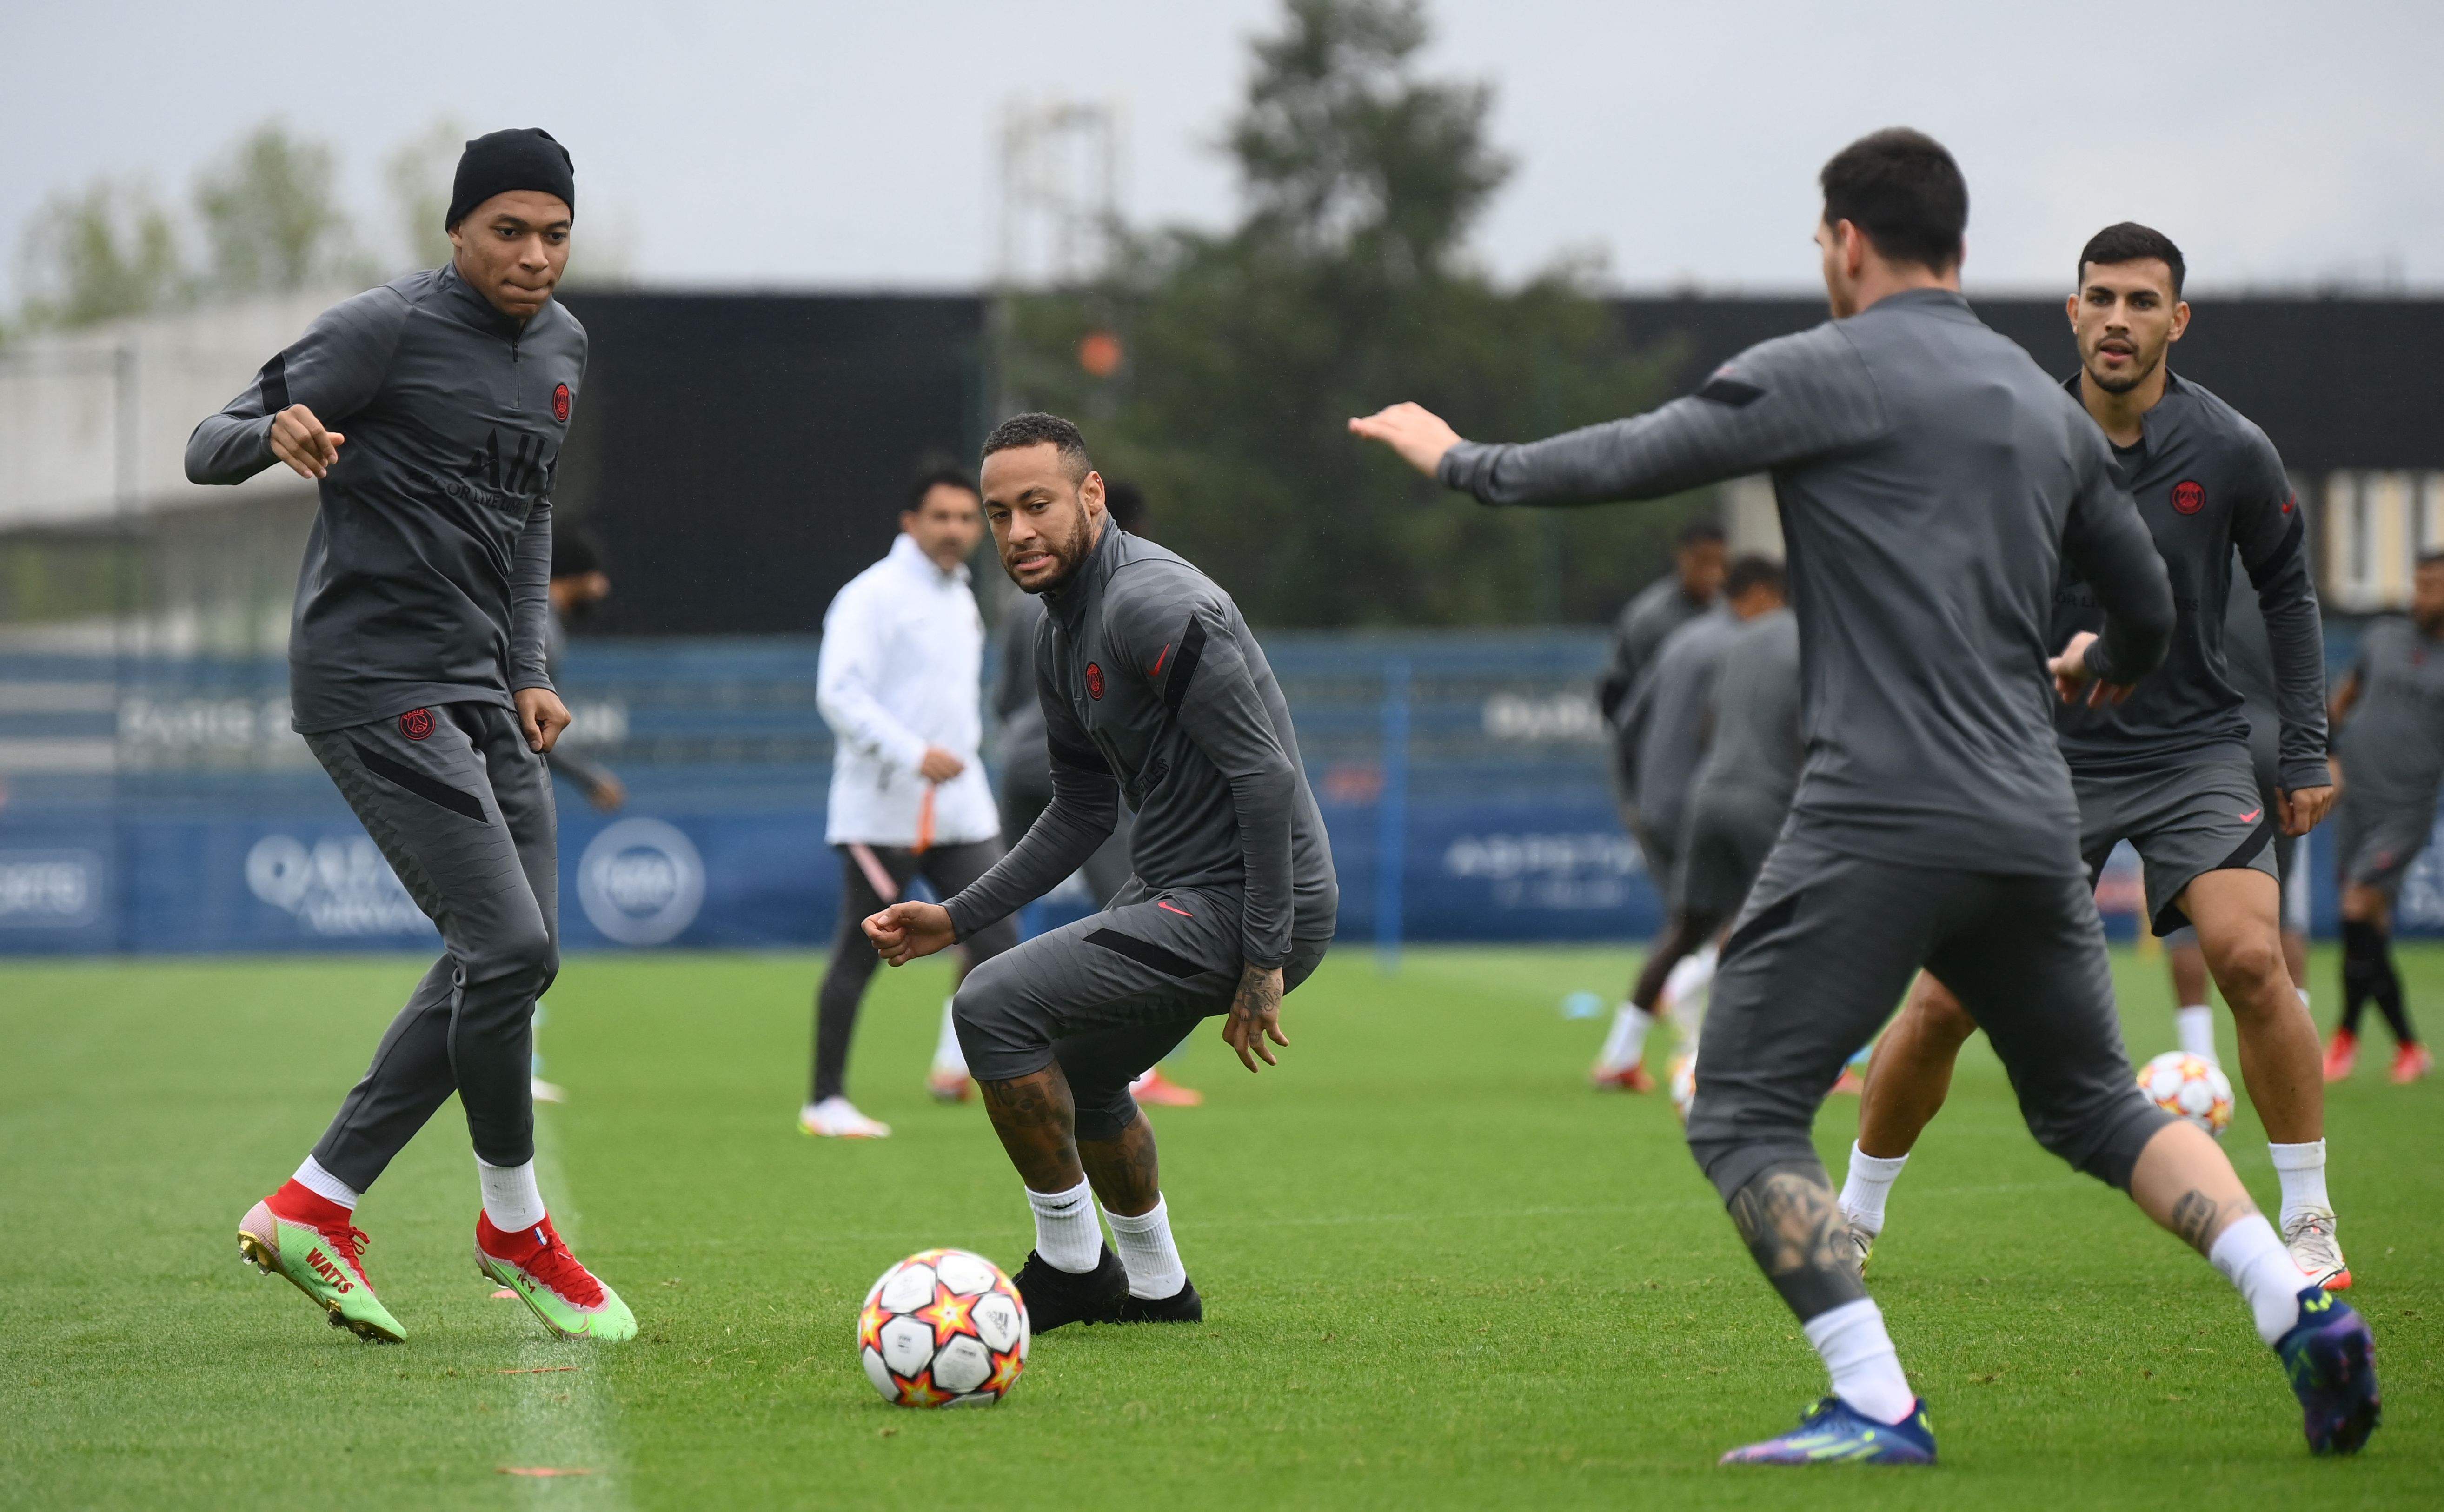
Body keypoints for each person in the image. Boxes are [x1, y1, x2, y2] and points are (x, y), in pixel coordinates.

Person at [1351, 130, 2378, 1462]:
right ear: (1964, 249)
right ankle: (2293, 1295)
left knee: (1738, 1107)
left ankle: (1876, 1398)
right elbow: (2150, 607)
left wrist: (1452, 456)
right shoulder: (2038, 407)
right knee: (2097, 1104)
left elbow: (1621, 459)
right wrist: (2110, 668)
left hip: (1879, 812)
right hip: (2026, 803)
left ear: (1844, 243)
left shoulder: (1814, 371)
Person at [1840, 224, 2349, 1292]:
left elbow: (2287, 594)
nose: (2116, 318)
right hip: (2029, 760)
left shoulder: (2230, 450)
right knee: (1942, 1005)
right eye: (2098, 298)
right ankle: (1848, 1217)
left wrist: (2302, 746)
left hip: (2190, 751)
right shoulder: (2004, 436)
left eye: (2139, 300)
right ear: (2070, 313)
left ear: (2176, 319)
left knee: (2251, 961)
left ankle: (2305, 1218)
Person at [192, 128, 633, 1343]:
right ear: (457, 229)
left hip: (489, 688)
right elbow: (206, 442)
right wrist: (274, 435)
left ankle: (311, 1204)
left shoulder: (563, 347)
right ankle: (515, 1225)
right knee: (504, 947)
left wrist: (534, 666)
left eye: (555, 234)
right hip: (372, 677)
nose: (535, 255)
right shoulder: (381, 329)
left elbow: (529, 512)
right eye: (509, 230)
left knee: (513, 957)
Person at [864, 413, 1337, 1331]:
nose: (1017, 533)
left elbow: (1266, 774)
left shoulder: (1152, 605)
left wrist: (1265, 958)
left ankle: (1073, 1266)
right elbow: (1080, 812)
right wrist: (955, 917)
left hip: (1245, 905)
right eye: (1000, 514)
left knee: (990, 1009)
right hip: (1185, 891)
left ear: (1093, 497)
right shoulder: (1055, 631)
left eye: (1036, 505)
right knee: (1078, 1069)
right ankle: (1160, 1291)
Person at [806, 463, 1019, 1135]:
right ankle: (825, 1101)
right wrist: (910, 752)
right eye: (942, 517)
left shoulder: (960, 596)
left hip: (961, 810)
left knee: (1000, 943)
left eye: (967, 518)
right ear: (911, 523)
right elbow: (838, 694)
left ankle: (957, 1067)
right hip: (884, 811)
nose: (957, 530)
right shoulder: (871, 596)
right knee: (858, 952)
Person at [995, 481, 1201, 1108]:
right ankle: (1132, 1068)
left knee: (999, 914)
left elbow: (1002, 699)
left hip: (1018, 764)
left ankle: (954, 1062)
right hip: (1086, 772)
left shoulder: (1022, 602)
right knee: (1132, 910)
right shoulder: (1127, 591)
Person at [1591, 556, 1784, 1089]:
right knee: (1766, 918)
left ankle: (1621, 1055)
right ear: (1765, 595)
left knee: (1690, 925)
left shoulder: (1684, 639)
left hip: (1664, 803)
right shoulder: (1754, 646)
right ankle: (1713, 1044)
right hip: (1729, 800)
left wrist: (1632, 798)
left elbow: (1626, 720)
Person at [1660, 561, 1800, 1113]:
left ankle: (1695, 997)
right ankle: (1717, 1058)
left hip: (1709, 791)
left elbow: (1707, 725)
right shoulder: (1807, 638)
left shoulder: (1735, 642)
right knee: (1787, 920)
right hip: (1764, 798)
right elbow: (1809, 729)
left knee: (1715, 919)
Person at [2162, 553, 2313, 1064]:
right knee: (2281, 907)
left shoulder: (2178, 559)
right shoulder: (2281, 572)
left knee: (2181, 903)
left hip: (2196, 744)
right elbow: (2303, 660)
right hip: (2274, 742)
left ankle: (2200, 1061)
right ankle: (2297, 1045)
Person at [2322, 551, 2444, 1084]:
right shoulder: (2382, 638)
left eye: (2435, 586)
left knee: (2356, 906)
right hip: (2358, 800)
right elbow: (2340, 702)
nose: (2423, 596)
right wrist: (2327, 757)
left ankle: (2344, 1036)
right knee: (2369, 926)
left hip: (2407, 807)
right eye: (2419, 584)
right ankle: (2410, 1047)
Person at [543, 523, 625, 814]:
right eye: (596, 574)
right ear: (573, 575)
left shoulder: (534, 623)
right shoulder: (541, 630)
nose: (603, 587)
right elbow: (533, 728)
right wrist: (591, 778)